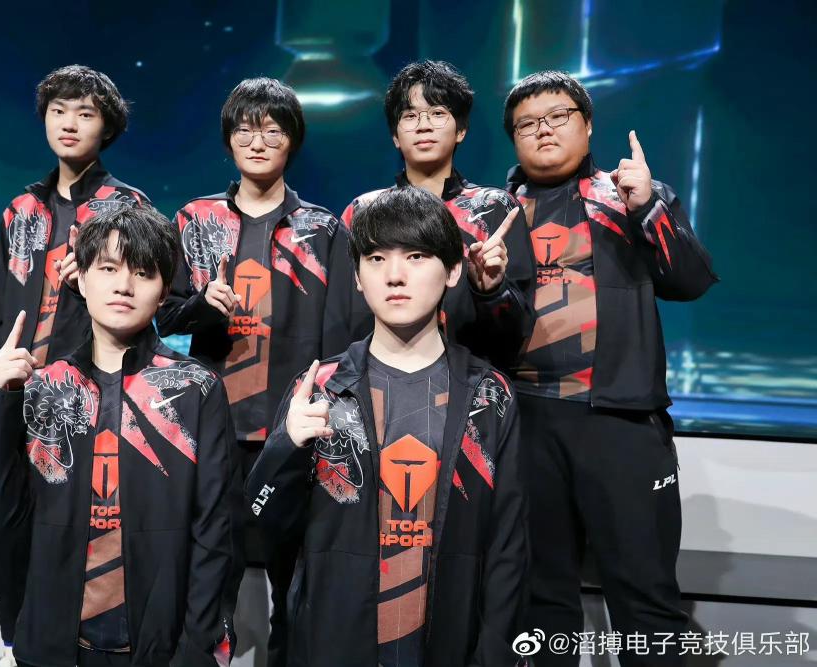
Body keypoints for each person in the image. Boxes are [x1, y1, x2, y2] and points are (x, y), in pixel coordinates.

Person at [246, 186, 528, 666]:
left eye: (416, 256)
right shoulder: (320, 389)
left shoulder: (488, 396)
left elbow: (508, 548)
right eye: (376, 259)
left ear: (453, 270)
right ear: (357, 278)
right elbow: (260, 522)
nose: (395, 275)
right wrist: (285, 449)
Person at [503, 70, 718, 666]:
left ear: (588, 124)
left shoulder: (627, 195)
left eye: (558, 116)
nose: (544, 129)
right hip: (525, 424)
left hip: (621, 423)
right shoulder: (492, 212)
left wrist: (648, 206)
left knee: (646, 597)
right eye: (527, 123)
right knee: (538, 601)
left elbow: (690, 281)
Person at [0, 206, 236, 667]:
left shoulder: (196, 389)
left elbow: (216, 531)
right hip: (52, 644)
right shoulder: (43, 388)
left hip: (162, 648)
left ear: (163, 290)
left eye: (143, 273)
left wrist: (198, 647)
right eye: (108, 268)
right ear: (82, 278)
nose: (124, 285)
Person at [156, 77, 353, 667]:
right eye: (245, 129)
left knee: (297, 584)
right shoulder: (195, 220)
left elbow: (341, 337)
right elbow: (163, 316)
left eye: (272, 130)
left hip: (294, 433)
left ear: (293, 140)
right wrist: (202, 305)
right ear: (228, 140)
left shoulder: (323, 229)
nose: (258, 141)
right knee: (210, 575)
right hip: (214, 429)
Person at [0, 64, 148, 667]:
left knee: (70, 534)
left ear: (107, 127)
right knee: (2, 528)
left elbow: (145, 302)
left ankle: (69, 645)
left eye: (85, 113)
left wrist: (92, 278)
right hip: (14, 396)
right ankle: (13, 641)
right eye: (58, 111)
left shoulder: (126, 208)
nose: (69, 123)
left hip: (84, 403)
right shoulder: (20, 210)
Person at [341, 60, 535, 370]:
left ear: (461, 130)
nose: (424, 125)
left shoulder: (495, 208)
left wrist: (491, 291)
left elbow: (519, 330)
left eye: (437, 113)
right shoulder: (362, 212)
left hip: (472, 381)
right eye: (410, 116)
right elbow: (345, 317)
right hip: (381, 379)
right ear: (395, 136)